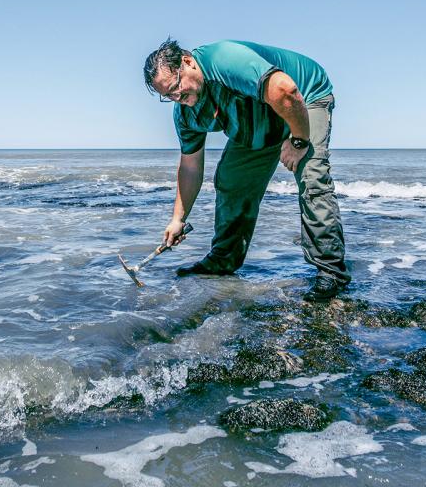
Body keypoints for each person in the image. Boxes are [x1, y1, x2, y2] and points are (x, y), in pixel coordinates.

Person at [143, 38, 351, 301]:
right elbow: (190, 167)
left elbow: (286, 90)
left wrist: (298, 140)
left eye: (176, 88)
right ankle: (223, 261)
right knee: (232, 180)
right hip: (260, 116)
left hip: (304, 97)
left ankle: (332, 272)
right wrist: (178, 219)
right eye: (168, 96)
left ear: (187, 62)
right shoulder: (185, 113)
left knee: (312, 178)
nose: (177, 99)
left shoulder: (223, 60)